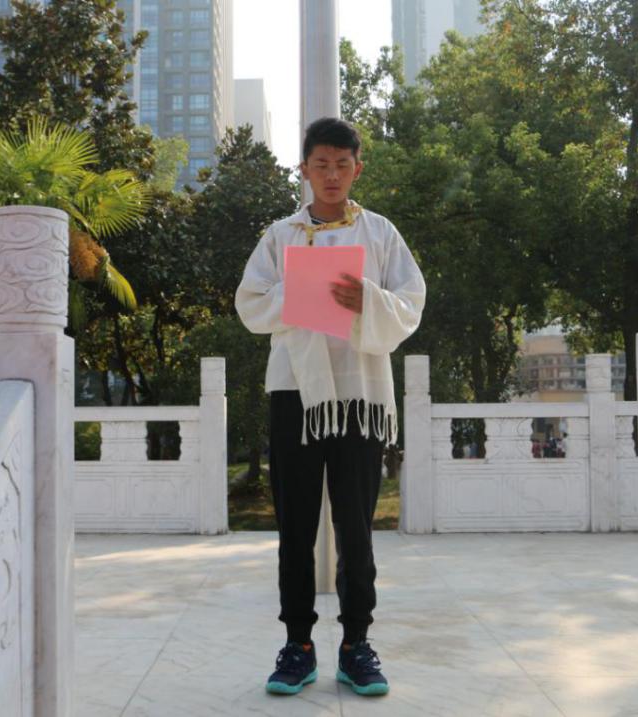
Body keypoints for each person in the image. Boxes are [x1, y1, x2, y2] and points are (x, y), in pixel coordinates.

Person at [235, 117, 426, 697]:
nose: (332, 175)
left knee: (356, 529)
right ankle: (297, 646)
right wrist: (300, 290)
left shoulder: (380, 232)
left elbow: (411, 303)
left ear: (357, 168)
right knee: (295, 528)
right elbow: (250, 304)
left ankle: (356, 645)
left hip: (360, 394)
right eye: (321, 164)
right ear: (305, 169)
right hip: (295, 392)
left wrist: (366, 298)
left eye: (343, 165)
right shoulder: (280, 235)